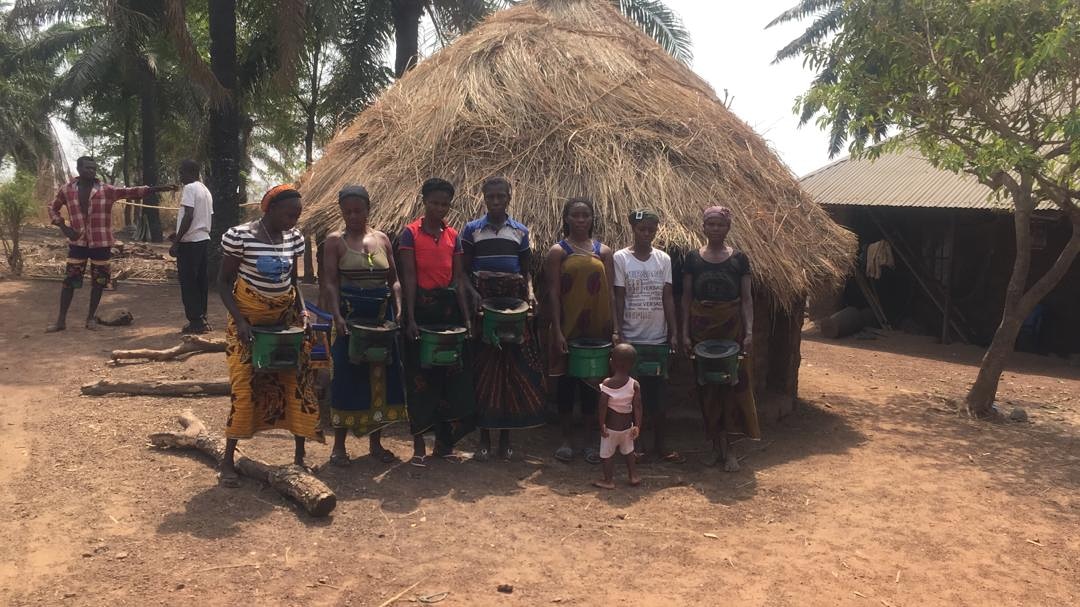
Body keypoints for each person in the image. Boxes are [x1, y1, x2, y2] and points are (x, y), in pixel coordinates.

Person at [217, 184, 320, 487]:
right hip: (247, 326)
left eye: (298, 215)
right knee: (244, 387)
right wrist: (241, 321)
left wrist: (302, 312)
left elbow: (293, 282)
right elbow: (223, 283)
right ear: (271, 210)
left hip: (284, 324)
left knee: (297, 384)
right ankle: (228, 461)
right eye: (289, 214)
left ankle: (299, 458)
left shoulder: (294, 238)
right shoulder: (241, 236)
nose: (294, 220)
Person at [460, 176, 546, 462]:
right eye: (490, 197)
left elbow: (526, 270)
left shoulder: (520, 231)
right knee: (484, 371)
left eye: (501, 197)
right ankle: (484, 439)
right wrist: (473, 295)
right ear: (483, 198)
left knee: (512, 371)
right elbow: (462, 272)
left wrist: (531, 294)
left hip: (514, 304)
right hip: (483, 305)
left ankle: (506, 440)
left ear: (509, 197)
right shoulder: (472, 230)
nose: (496, 202)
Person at [321, 185, 408, 465]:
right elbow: (330, 284)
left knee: (381, 378)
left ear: (368, 210)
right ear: (342, 212)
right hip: (349, 319)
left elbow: (393, 279)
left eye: (358, 210)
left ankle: (376, 444)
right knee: (346, 378)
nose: (353, 216)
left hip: (382, 320)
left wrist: (398, 307)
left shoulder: (382, 239)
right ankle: (339, 447)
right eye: (348, 211)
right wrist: (337, 316)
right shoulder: (335, 242)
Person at [46, 156, 177, 332]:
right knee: (70, 281)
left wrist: (158, 189)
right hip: (78, 242)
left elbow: (131, 191)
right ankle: (61, 321)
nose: (92, 171)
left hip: (101, 243)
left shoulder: (106, 190)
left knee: (99, 281)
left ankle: (90, 319)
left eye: (94, 168)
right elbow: (52, 207)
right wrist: (62, 225)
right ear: (79, 169)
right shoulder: (67, 189)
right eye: (87, 168)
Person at [398, 178, 476, 466]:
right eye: (435, 202)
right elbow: (408, 278)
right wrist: (410, 318)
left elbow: (458, 279)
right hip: (420, 310)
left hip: (449, 313)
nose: (439, 208)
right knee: (419, 381)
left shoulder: (453, 236)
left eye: (444, 204)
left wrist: (466, 319)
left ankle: (445, 445)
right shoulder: (409, 234)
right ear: (425, 202)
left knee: (450, 380)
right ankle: (418, 446)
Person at [681, 205, 760, 472]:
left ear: (728, 228)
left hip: (732, 328)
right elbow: (686, 298)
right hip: (701, 327)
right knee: (707, 388)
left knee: (732, 386)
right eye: (710, 224)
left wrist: (748, 332)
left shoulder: (739, 260)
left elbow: (747, 299)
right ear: (703, 227)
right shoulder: (692, 259)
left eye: (720, 225)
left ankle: (732, 451)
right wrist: (683, 332)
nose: (715, 229)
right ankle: (716, 447)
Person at [544, 197, 615, 464]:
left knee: (592, 387)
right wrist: (558, 331)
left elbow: (610, 293)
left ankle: (588, 441)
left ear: (592, 219)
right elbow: (552, 292)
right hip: (567, 326)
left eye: (586, 215)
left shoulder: (603, 252)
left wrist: (614, 328)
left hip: (596, 328)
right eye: (576, 215)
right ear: (566, 219)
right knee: (565, 385)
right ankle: (565, 440)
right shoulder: (558, 251)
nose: (581, 220)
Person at [612, 209, 683, 463]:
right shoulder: (621, 258)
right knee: (631, 397)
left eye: (651, 230)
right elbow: (619, 297)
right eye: (642, 229)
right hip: (632, 339)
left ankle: (660, 445)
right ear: (633, 228)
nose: (646, 234)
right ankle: (635, 445)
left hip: (657, 338)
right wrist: (618, 330)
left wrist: (673, 332)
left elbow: (667, 297)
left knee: (659, 397)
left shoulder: (663, 259)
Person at [169, 159, 214, 334]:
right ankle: (202, 318)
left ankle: (195, 321)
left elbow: (188, 215)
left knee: (188, 282)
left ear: (190, 172)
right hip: (202, 239)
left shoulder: (190, 188)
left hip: (190, 243)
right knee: (200, 281)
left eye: (182, 172)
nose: (180, 176)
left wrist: (177, 241)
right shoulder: (205, 190)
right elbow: (203, 217)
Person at [594, 343, 642, 489]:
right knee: (629, 452)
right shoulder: (635, 385)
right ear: (633, 365)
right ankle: (633, 476)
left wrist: (601, 424)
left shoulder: (607, 383)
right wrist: (638, 426)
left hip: (610, 429)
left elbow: (602, 406)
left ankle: (608, 481)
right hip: (627, 428)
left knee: (607, 454)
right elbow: (638, 407)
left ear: (611, 362)